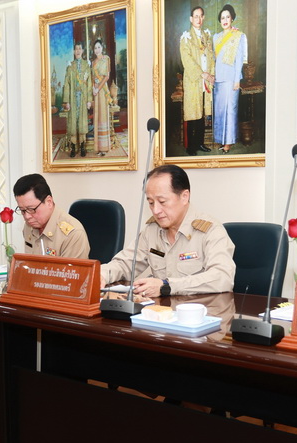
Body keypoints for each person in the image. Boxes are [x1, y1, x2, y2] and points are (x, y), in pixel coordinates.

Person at [100, 164, 235, 297]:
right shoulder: (152, 230)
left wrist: (167, 286)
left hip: (201, 308)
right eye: (151, 203)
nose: (156, 210)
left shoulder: (210, 230)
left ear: (184, 196)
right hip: (161, 309)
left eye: (162, 201)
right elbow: (125, 264)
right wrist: (101, 275)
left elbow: (223, 277)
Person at [12, 173, 90, 259]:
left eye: (31, 209)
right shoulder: (29, 226)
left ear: (49, 202)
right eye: (22, 210)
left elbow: (71, 268)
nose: (27, 216)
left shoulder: (73, 234)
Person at [180, 6, 214, 156]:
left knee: (202, 114)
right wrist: (202, 74)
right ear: (191, 19)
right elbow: (187, 60)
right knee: (193, 114)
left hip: (205, 81)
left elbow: (211, 57)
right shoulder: (186, 37)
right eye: (195, 16)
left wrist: (211, 75)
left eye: (201, 16)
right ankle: (191, 146)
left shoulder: (207, 36)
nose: (198, 19)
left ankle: (200, 142)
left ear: (203, 18)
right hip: (194, 81)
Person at [212, 4, 247, 154]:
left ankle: (229, 142)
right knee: (220, 111)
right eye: (222, 18)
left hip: (232, 78)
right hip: (219, 79)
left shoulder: (239, 36)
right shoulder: (216, 37)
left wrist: (237, 79)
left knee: (230, 111)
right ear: (220, 20)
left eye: (227, 17)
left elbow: (239, 59)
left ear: (232, 18)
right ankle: (221, 139)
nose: (225, 20)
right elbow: (213, 59)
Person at [63, 41, 92, 158]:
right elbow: (66, 84)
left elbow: (89, 84)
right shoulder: (70, 66)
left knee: (82, 123)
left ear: (83, 51)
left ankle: (83, 146)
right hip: (73, 98)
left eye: (80, 48)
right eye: (76, 49)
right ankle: (73, 147)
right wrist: (67, 101)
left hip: (83, 98)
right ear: (74, 51)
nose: (78, 51)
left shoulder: (86, 66)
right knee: (73, 123)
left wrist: (89, 100)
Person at [91, 39, 112, 157]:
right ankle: (98, 147)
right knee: (97, 117)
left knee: (103, 116)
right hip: (96, 92)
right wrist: (94, 88)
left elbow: (107, 76)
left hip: (103, 91)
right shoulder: (93, 62)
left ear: (102, 48)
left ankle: (104, 147)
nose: (97, 50)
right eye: (95, 48)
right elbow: (93, 77)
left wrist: (98, 88)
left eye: (99, 47)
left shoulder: (106, 59)